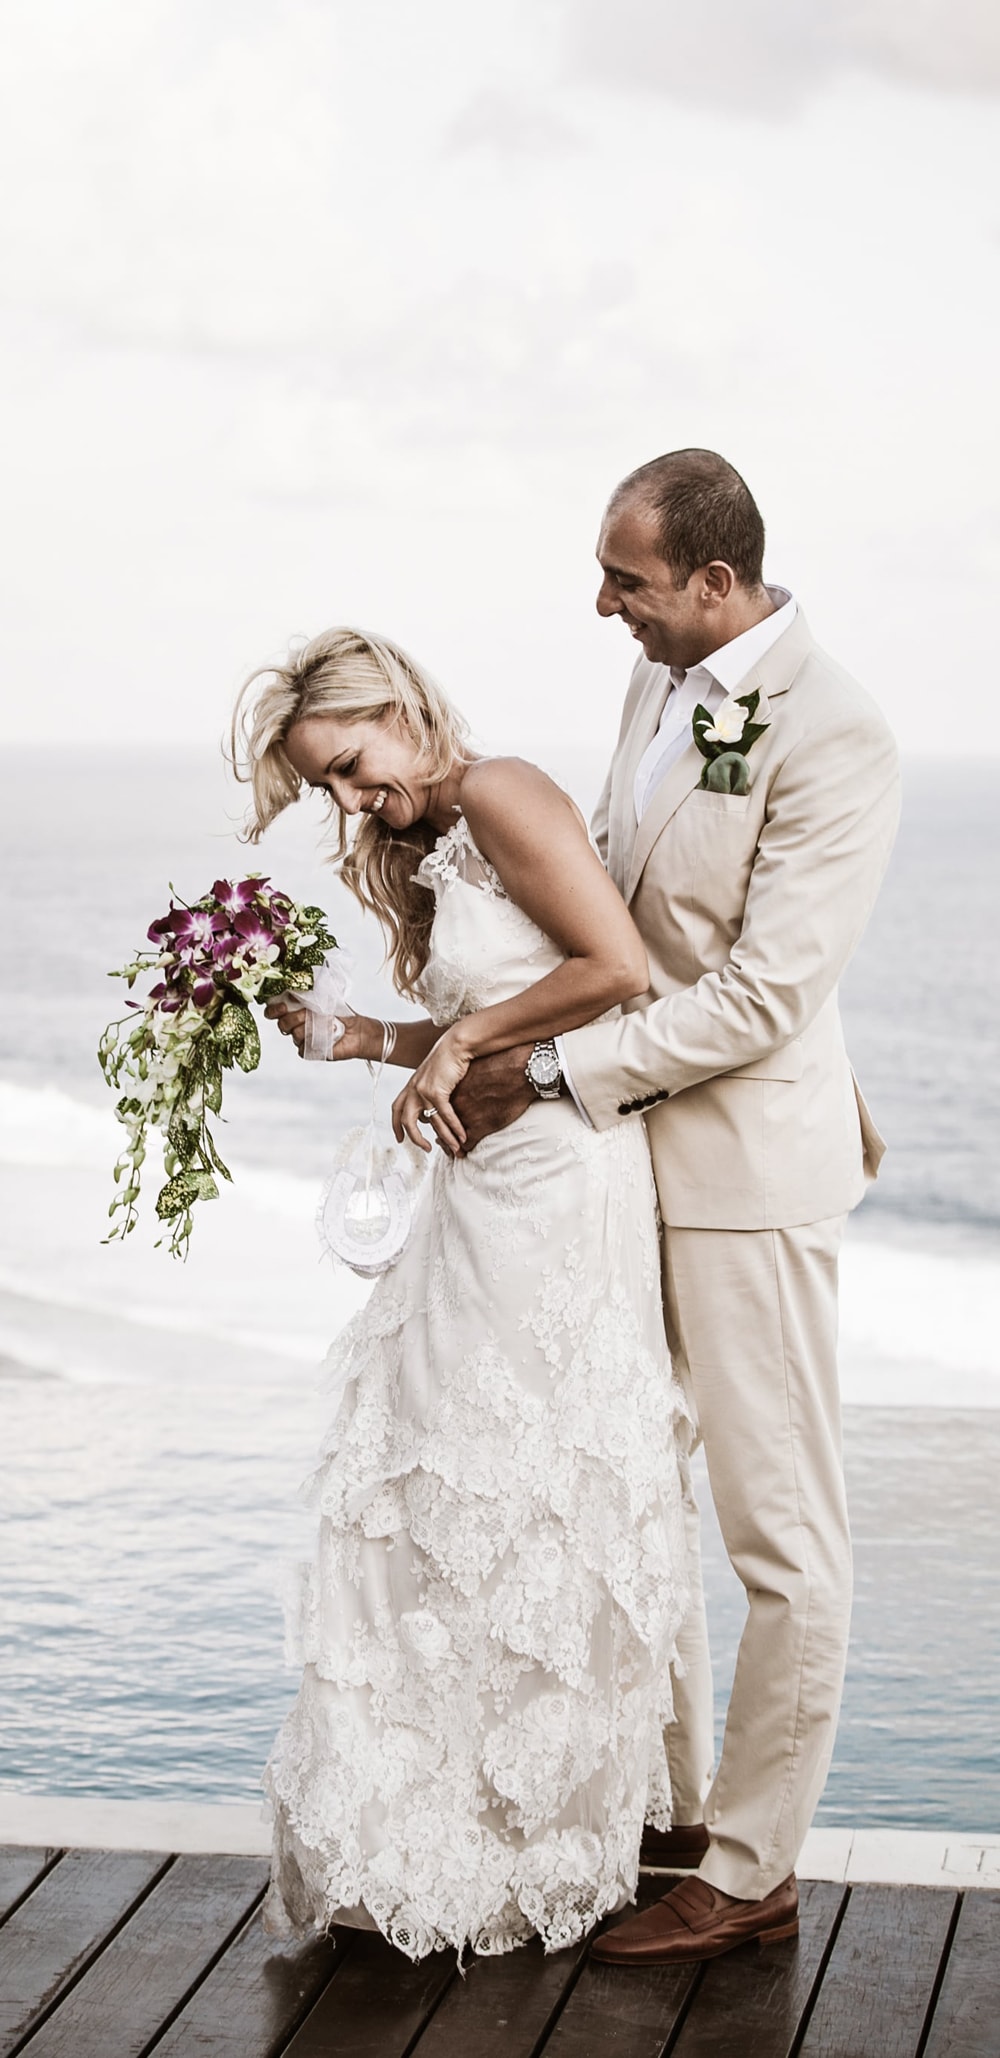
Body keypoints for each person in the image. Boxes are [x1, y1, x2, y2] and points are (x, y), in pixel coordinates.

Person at [448, 450, 901, 1966]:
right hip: (631, 1165)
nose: (604, 606)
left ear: (714, 581)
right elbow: (615, 894)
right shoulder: (662, 683)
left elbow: (770, 993)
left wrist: (556, 1069)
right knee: (636, 1482)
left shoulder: (837, 733)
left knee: (782, 1535)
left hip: (749, 1179)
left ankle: (756, 1863)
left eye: (627, 582)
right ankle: (676, 1805)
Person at [230, 627, 690, 1961]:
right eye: (330, 789)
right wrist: (365, 1037)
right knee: (432, 1492)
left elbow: (615, 972)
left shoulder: (502, 791)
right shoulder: (432, 842)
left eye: (354, 768)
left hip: (560, 1184)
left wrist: (467, 1042)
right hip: (476, 1196)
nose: (352, 803)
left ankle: (533, 1836)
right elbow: (492, 1014)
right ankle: (435, 1833)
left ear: (398, 705)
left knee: (527, 1486)